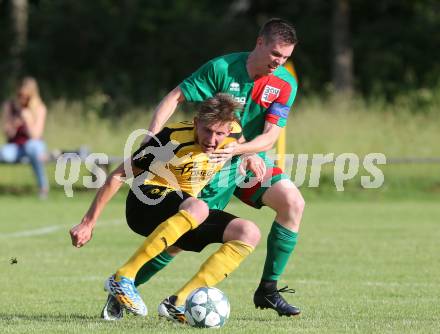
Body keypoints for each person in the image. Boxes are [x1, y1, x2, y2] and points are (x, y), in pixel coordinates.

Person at [127, 18, 305, 318]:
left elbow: (271, 135)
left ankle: (268, 289)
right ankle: (126, 286)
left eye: (286, 57)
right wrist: (151, 138)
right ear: (259, 42)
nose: (280, 62)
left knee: (293, 203)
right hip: (207, 167)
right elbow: (175, 97)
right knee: (179, 242)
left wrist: (241, 150)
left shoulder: (285, 83)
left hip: (248, 161)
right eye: (276, 54)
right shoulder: (222, 69)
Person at [69, 94, 264, 319]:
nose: (212, 139)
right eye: (207, 131)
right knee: (199, 208)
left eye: (219, 133)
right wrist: (87, 223)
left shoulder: (234, 132)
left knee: (248, 232)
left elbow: (240, 142)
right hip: (144, 202)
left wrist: (249, 154)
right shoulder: (171, 139)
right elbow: (119, 175)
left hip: (184, 208)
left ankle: (178, 303)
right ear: (195, 122)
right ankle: (123, 277)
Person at [0, 77, 49, 198]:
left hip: (34, 145)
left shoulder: (40, 108)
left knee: (32, 147)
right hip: (16, 146)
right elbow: (7, 133)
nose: (22, 98)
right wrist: (13, 125)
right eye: (20, 95)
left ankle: (43, 187)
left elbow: (36, 135)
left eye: (26, 96)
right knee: (3, 153)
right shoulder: (9, 106)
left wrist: (27, 119)